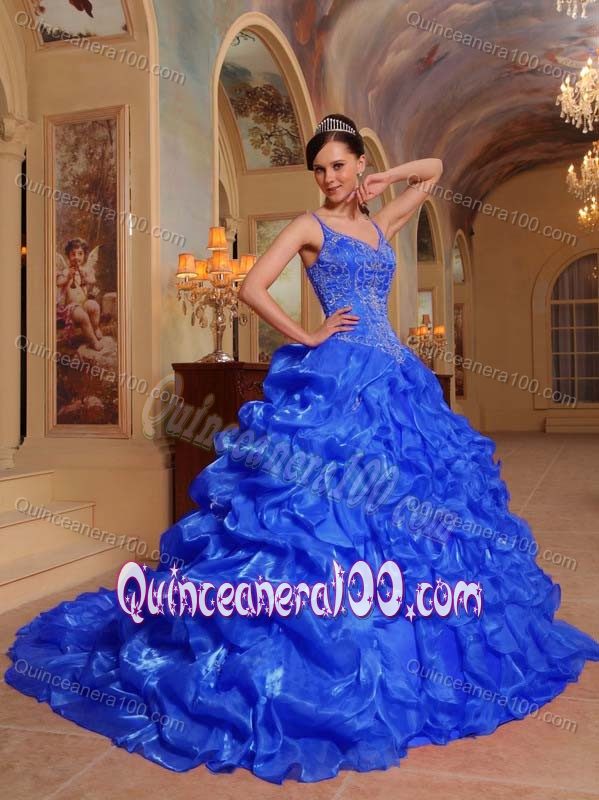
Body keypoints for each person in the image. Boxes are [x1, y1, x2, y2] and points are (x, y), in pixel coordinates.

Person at [5, 114, 599, 785]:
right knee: (318, 517)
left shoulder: (381, 225)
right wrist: (309, 335)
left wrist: (385, 176)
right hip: (335, 376)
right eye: (319, 169)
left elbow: (432, 173)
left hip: (393, 378)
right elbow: (251, 287)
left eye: (339, 165)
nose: (328, 177)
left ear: (357, 165)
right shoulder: (309, 226)